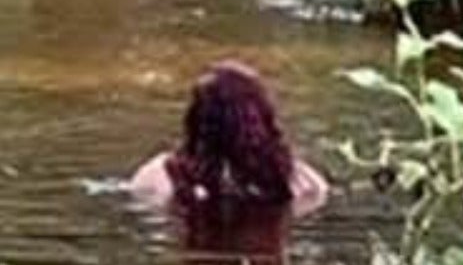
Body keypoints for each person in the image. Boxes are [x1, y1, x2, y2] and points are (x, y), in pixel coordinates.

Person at [131, 61, 328, 216]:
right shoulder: (302, 181)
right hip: (260, 260)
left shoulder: (159, 177)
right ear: (264, 117)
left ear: (195, 119)